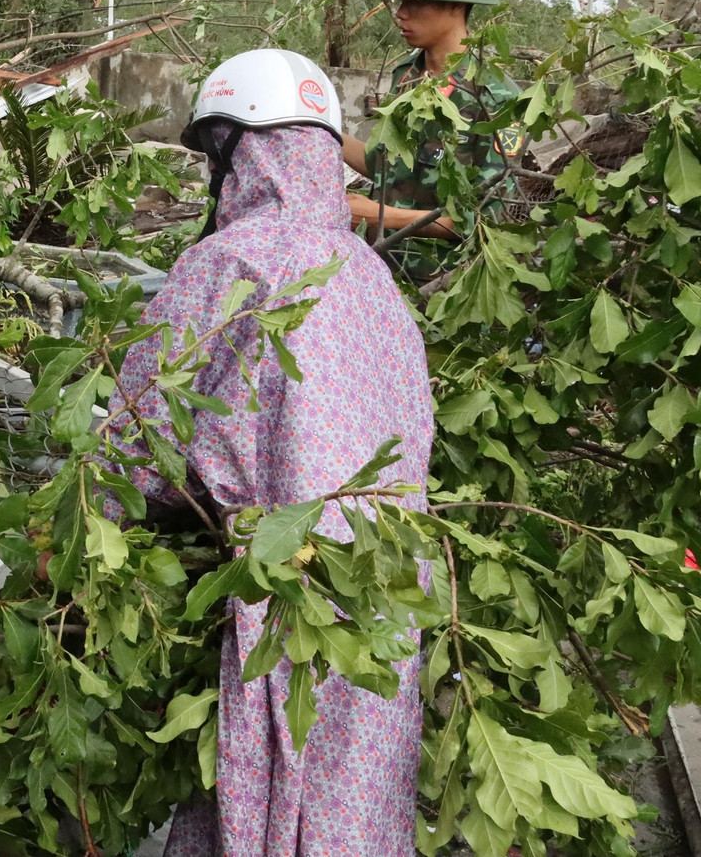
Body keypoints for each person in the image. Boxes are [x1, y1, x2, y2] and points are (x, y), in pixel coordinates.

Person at [120, 49, 432, 856]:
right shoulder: (372, 276)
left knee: (266, 805)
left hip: (286, 594)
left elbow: (143, 434)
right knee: (354, 806)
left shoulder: (229, 260)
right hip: (389, 583)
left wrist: (89, 517)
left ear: (234, 153)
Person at [340, 0, 521, 275]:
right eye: (399, 1)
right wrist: (317, 131)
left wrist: (382, 215)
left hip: (442, 284)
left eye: (413, 1)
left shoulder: (495, 96)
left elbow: (487, 219)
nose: (400, 13)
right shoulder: (406, 76)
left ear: (455, 5)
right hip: (378, 269)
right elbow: (388, 166)